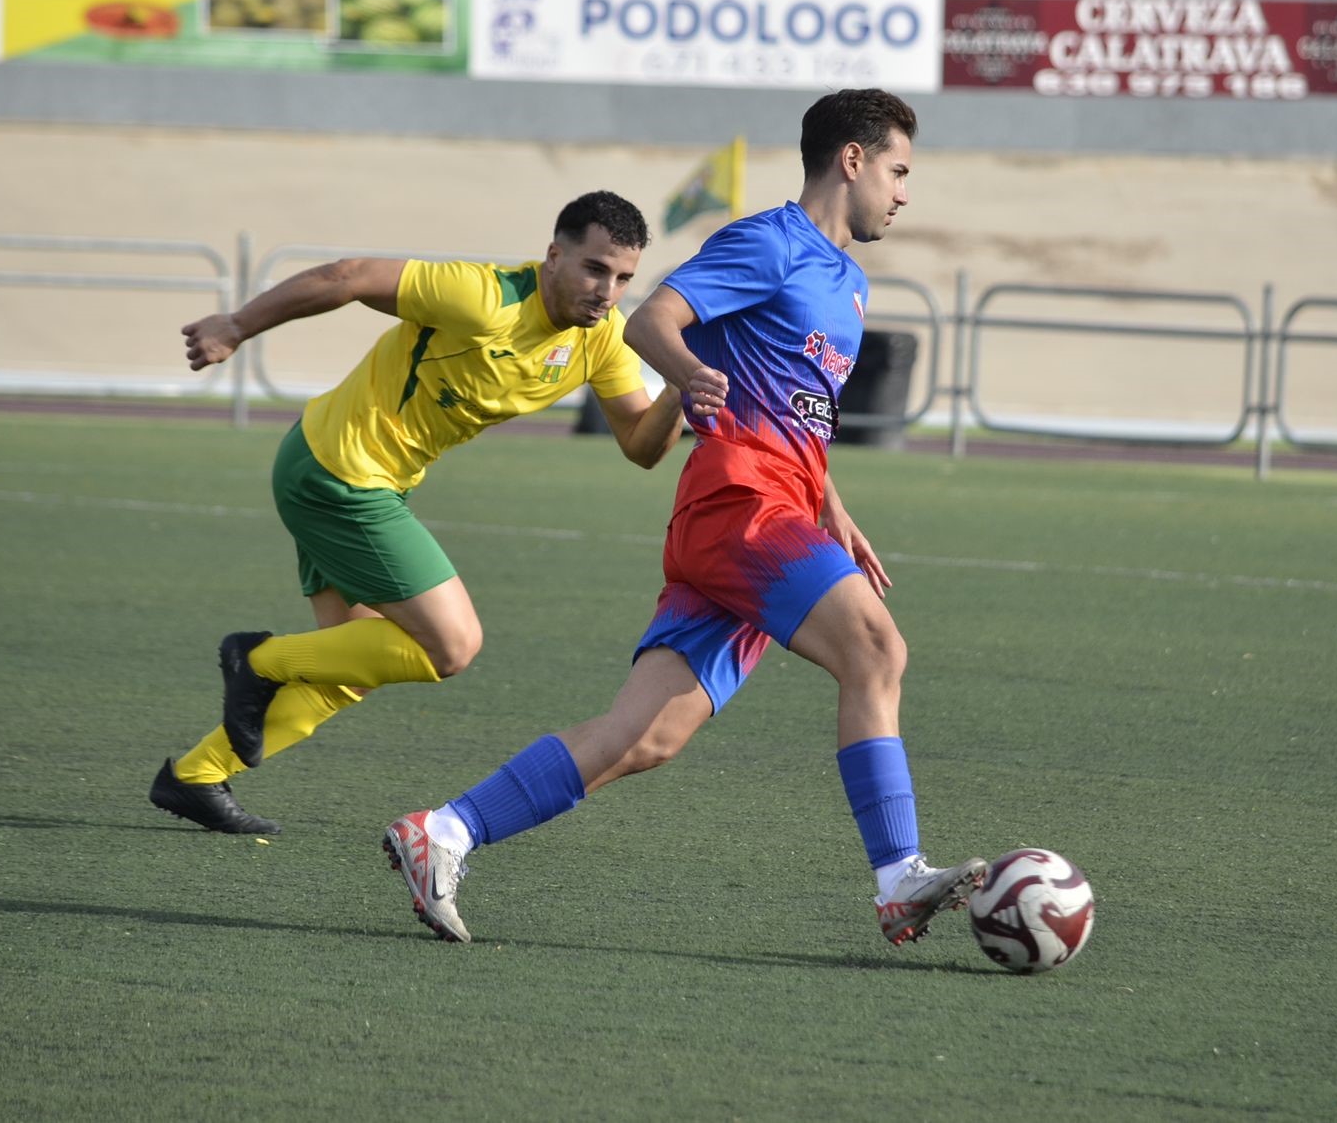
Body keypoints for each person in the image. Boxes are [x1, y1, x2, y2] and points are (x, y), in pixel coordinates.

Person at [382, 89, 987, 948]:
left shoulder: (847, 281)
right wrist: (692, 376)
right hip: (739, 502)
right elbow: (651, 319)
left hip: (780, 503)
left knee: (645, 736)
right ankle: (898, 879)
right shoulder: (770, 242)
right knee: (878, 649)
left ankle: (441, 833)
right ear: (851, 160)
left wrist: (833, 508)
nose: (903, 192)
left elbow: (799, 411)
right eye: (897, 170)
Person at [154, 191, 685, 835]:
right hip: (339, 473)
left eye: (624, 277)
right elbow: (346, 277)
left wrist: (683, 386)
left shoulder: (599, 341)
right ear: (553, 256)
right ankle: (257, 661)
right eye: (594, 268)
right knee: (452, 644)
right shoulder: (481, 297)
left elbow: (641, 447)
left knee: (355, 664)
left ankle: (196, 776)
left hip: (360, 479)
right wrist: (236, 325)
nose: (607, 290)